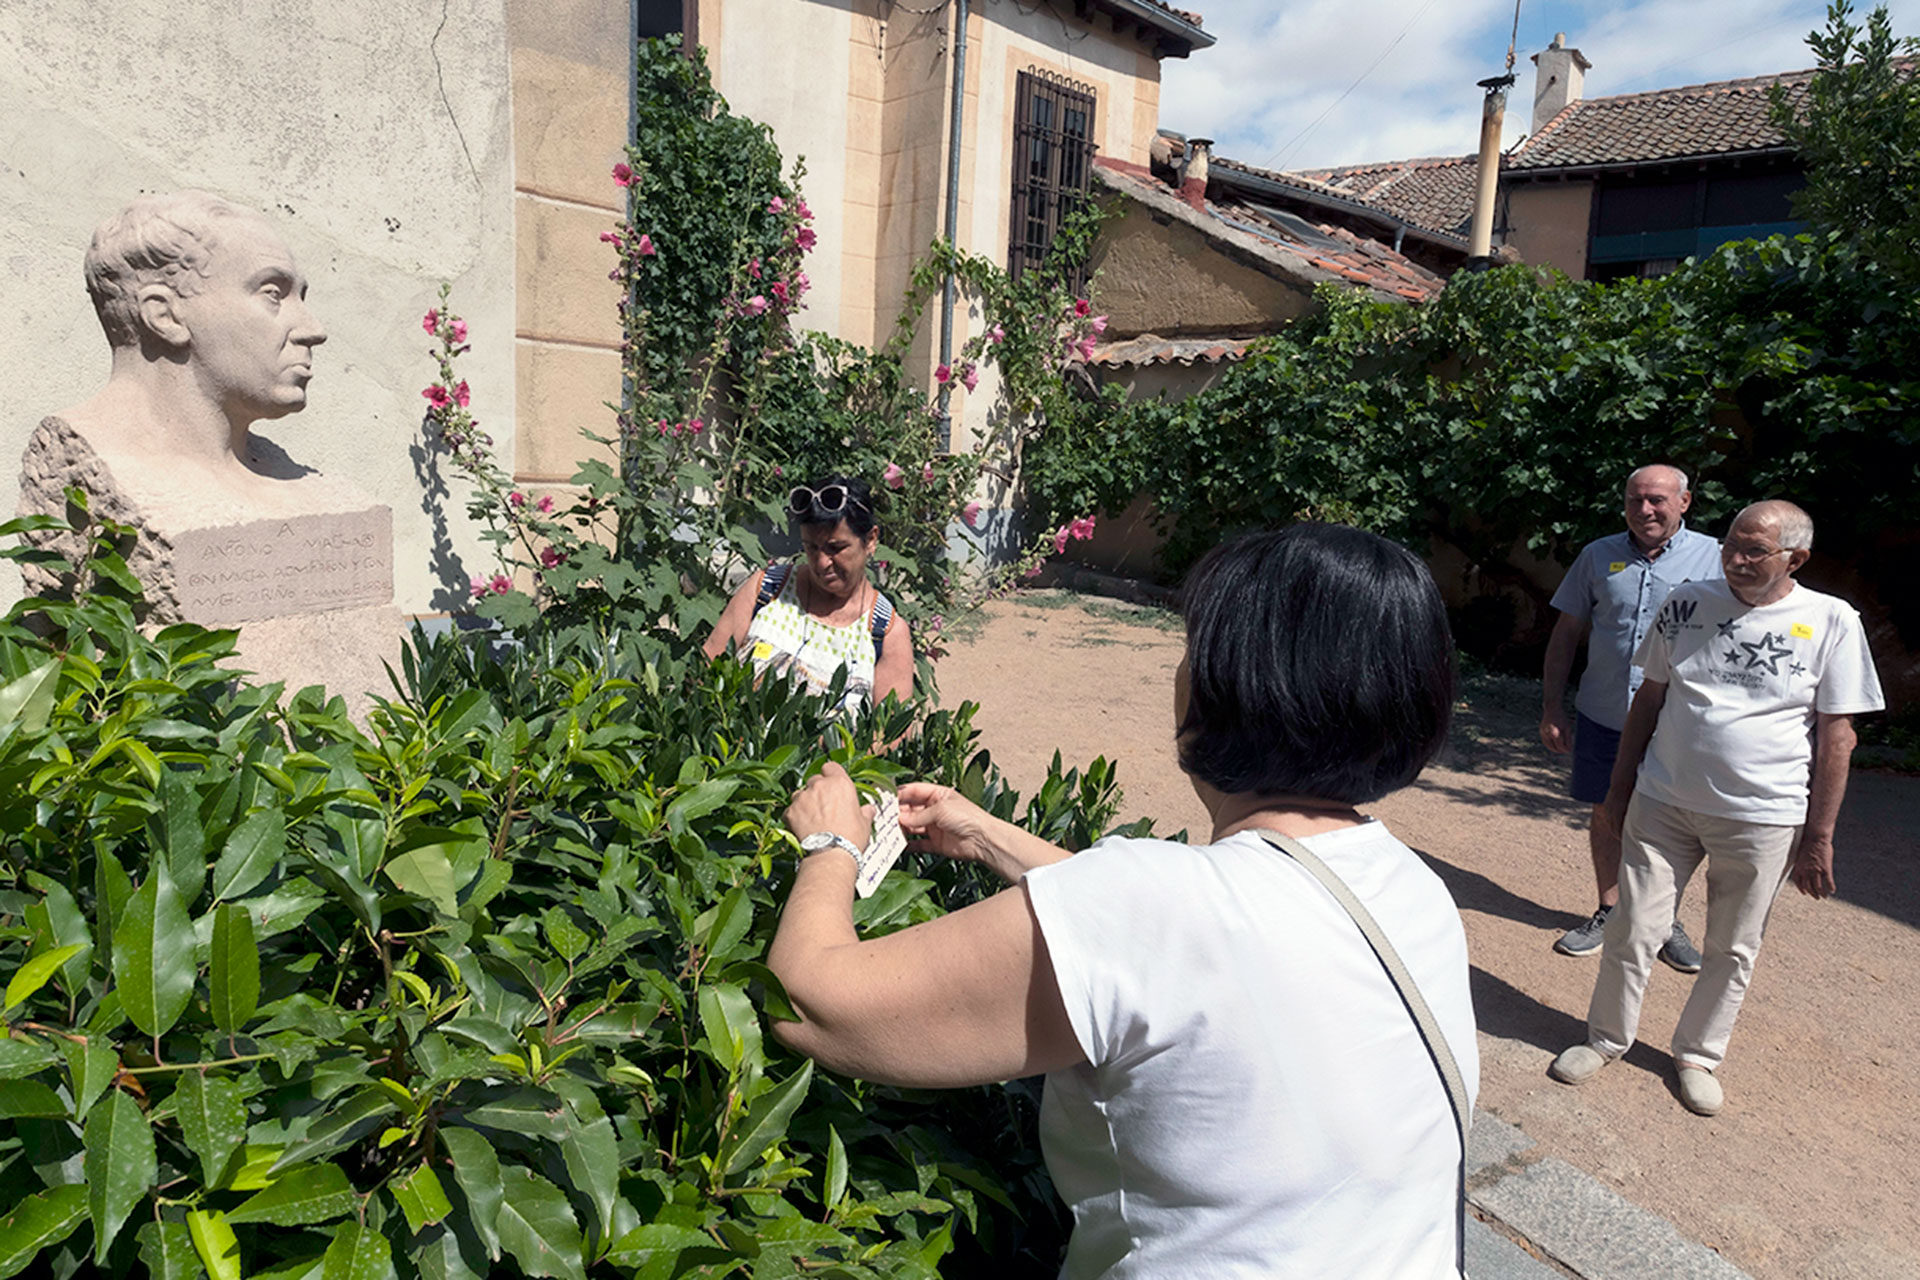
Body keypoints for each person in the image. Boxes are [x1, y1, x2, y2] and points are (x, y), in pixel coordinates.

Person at [770, 524, 1478, 1278]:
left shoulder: (1153, 910)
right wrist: (984, 836)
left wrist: (830, 848)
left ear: (1225, 684)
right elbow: (1174, 952)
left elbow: (811, 1003)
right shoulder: (1410, 886)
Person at [1548, 500, 1883, 1116]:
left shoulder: (1832, 620)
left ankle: (1697, 1055)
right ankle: (1604, 1039)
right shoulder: (1685, 601)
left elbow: (1838, 735)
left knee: (1732, 946)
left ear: (1795, 559)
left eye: (1754, 551)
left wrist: (1820, 836)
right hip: (1664, 800)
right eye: (1731, 544)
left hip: (1763, 816)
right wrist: (1618, 794)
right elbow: (1648, 700)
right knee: (1630, 928)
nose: (1735, 559)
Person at [1540, 464, 1722, 968]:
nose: (1645, 510)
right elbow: (1566, 634)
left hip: (1678, 721)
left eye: (1658, 500)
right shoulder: (1597, 556)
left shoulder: (1717, 558)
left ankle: (1666, 922)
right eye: (1635, 499)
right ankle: (1610, 908)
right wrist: (1552, 704)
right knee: (1605, 809)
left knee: (1673, 821)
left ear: (1685, 502)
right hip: (1604, 713)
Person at [703, 476, 913, 711]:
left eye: (836, 548)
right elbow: (709, 668)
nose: (822, 562)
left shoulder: (886, 633)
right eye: (811, 547)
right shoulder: (768, 589)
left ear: (870, 540)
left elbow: (885, 739)